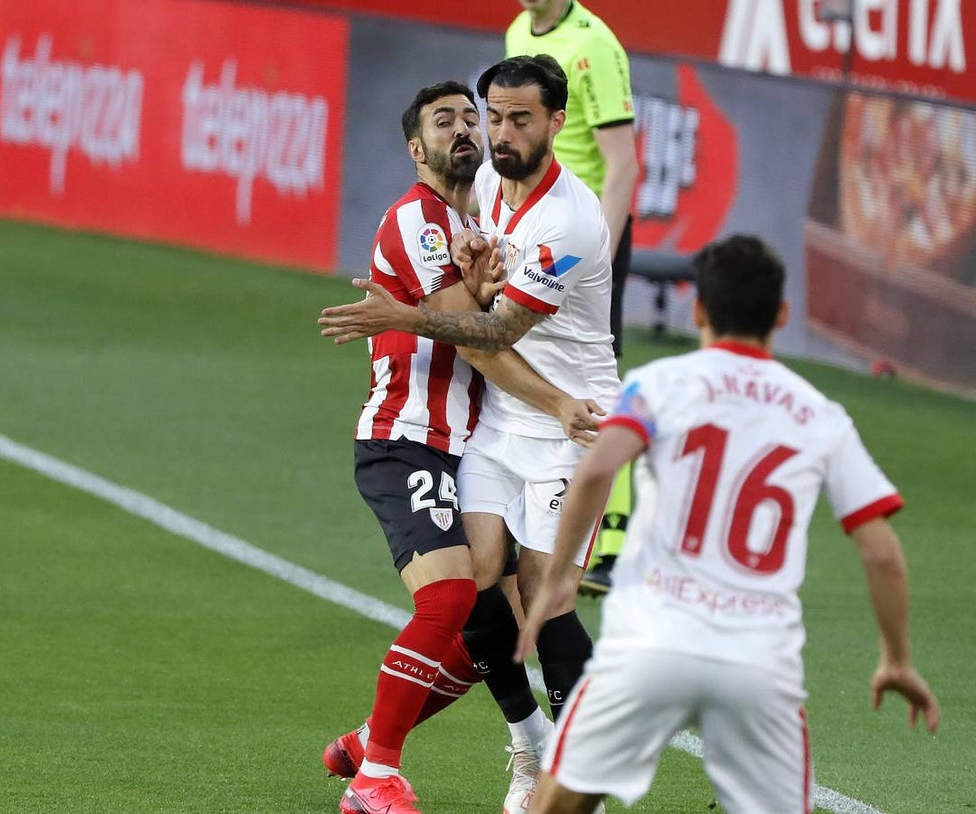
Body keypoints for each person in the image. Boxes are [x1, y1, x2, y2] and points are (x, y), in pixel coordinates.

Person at [515, 234, 942, 813]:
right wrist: (896, 658)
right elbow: (883, 554)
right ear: (782, 315)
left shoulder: (659, 383)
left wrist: (556, 584)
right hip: (758, 662)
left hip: (650, 643)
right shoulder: (820, 415)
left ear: (698, 311)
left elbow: (595, 474)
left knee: (558, 804)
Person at [320, 54, 619, 813]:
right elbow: (478, 312)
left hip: (569, 425)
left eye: (518, 118)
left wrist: (415, 310)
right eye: (491, 116)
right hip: (481, 428)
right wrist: (469, 277)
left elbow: (492, 332)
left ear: (557, 123)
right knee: (474, 586)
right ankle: (515, 750)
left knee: (538, 602)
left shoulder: (569, 219)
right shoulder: (475, 190)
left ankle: (565, 776)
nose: (496, 132)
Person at [507, 0, 641, 595]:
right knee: (531, 365)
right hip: (536, 234)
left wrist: (598, 260)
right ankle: (531, 511)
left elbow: (623, 167)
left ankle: (611, 537)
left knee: (596, 377)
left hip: (586, 242)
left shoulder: (597, 46)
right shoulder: (519, 29)